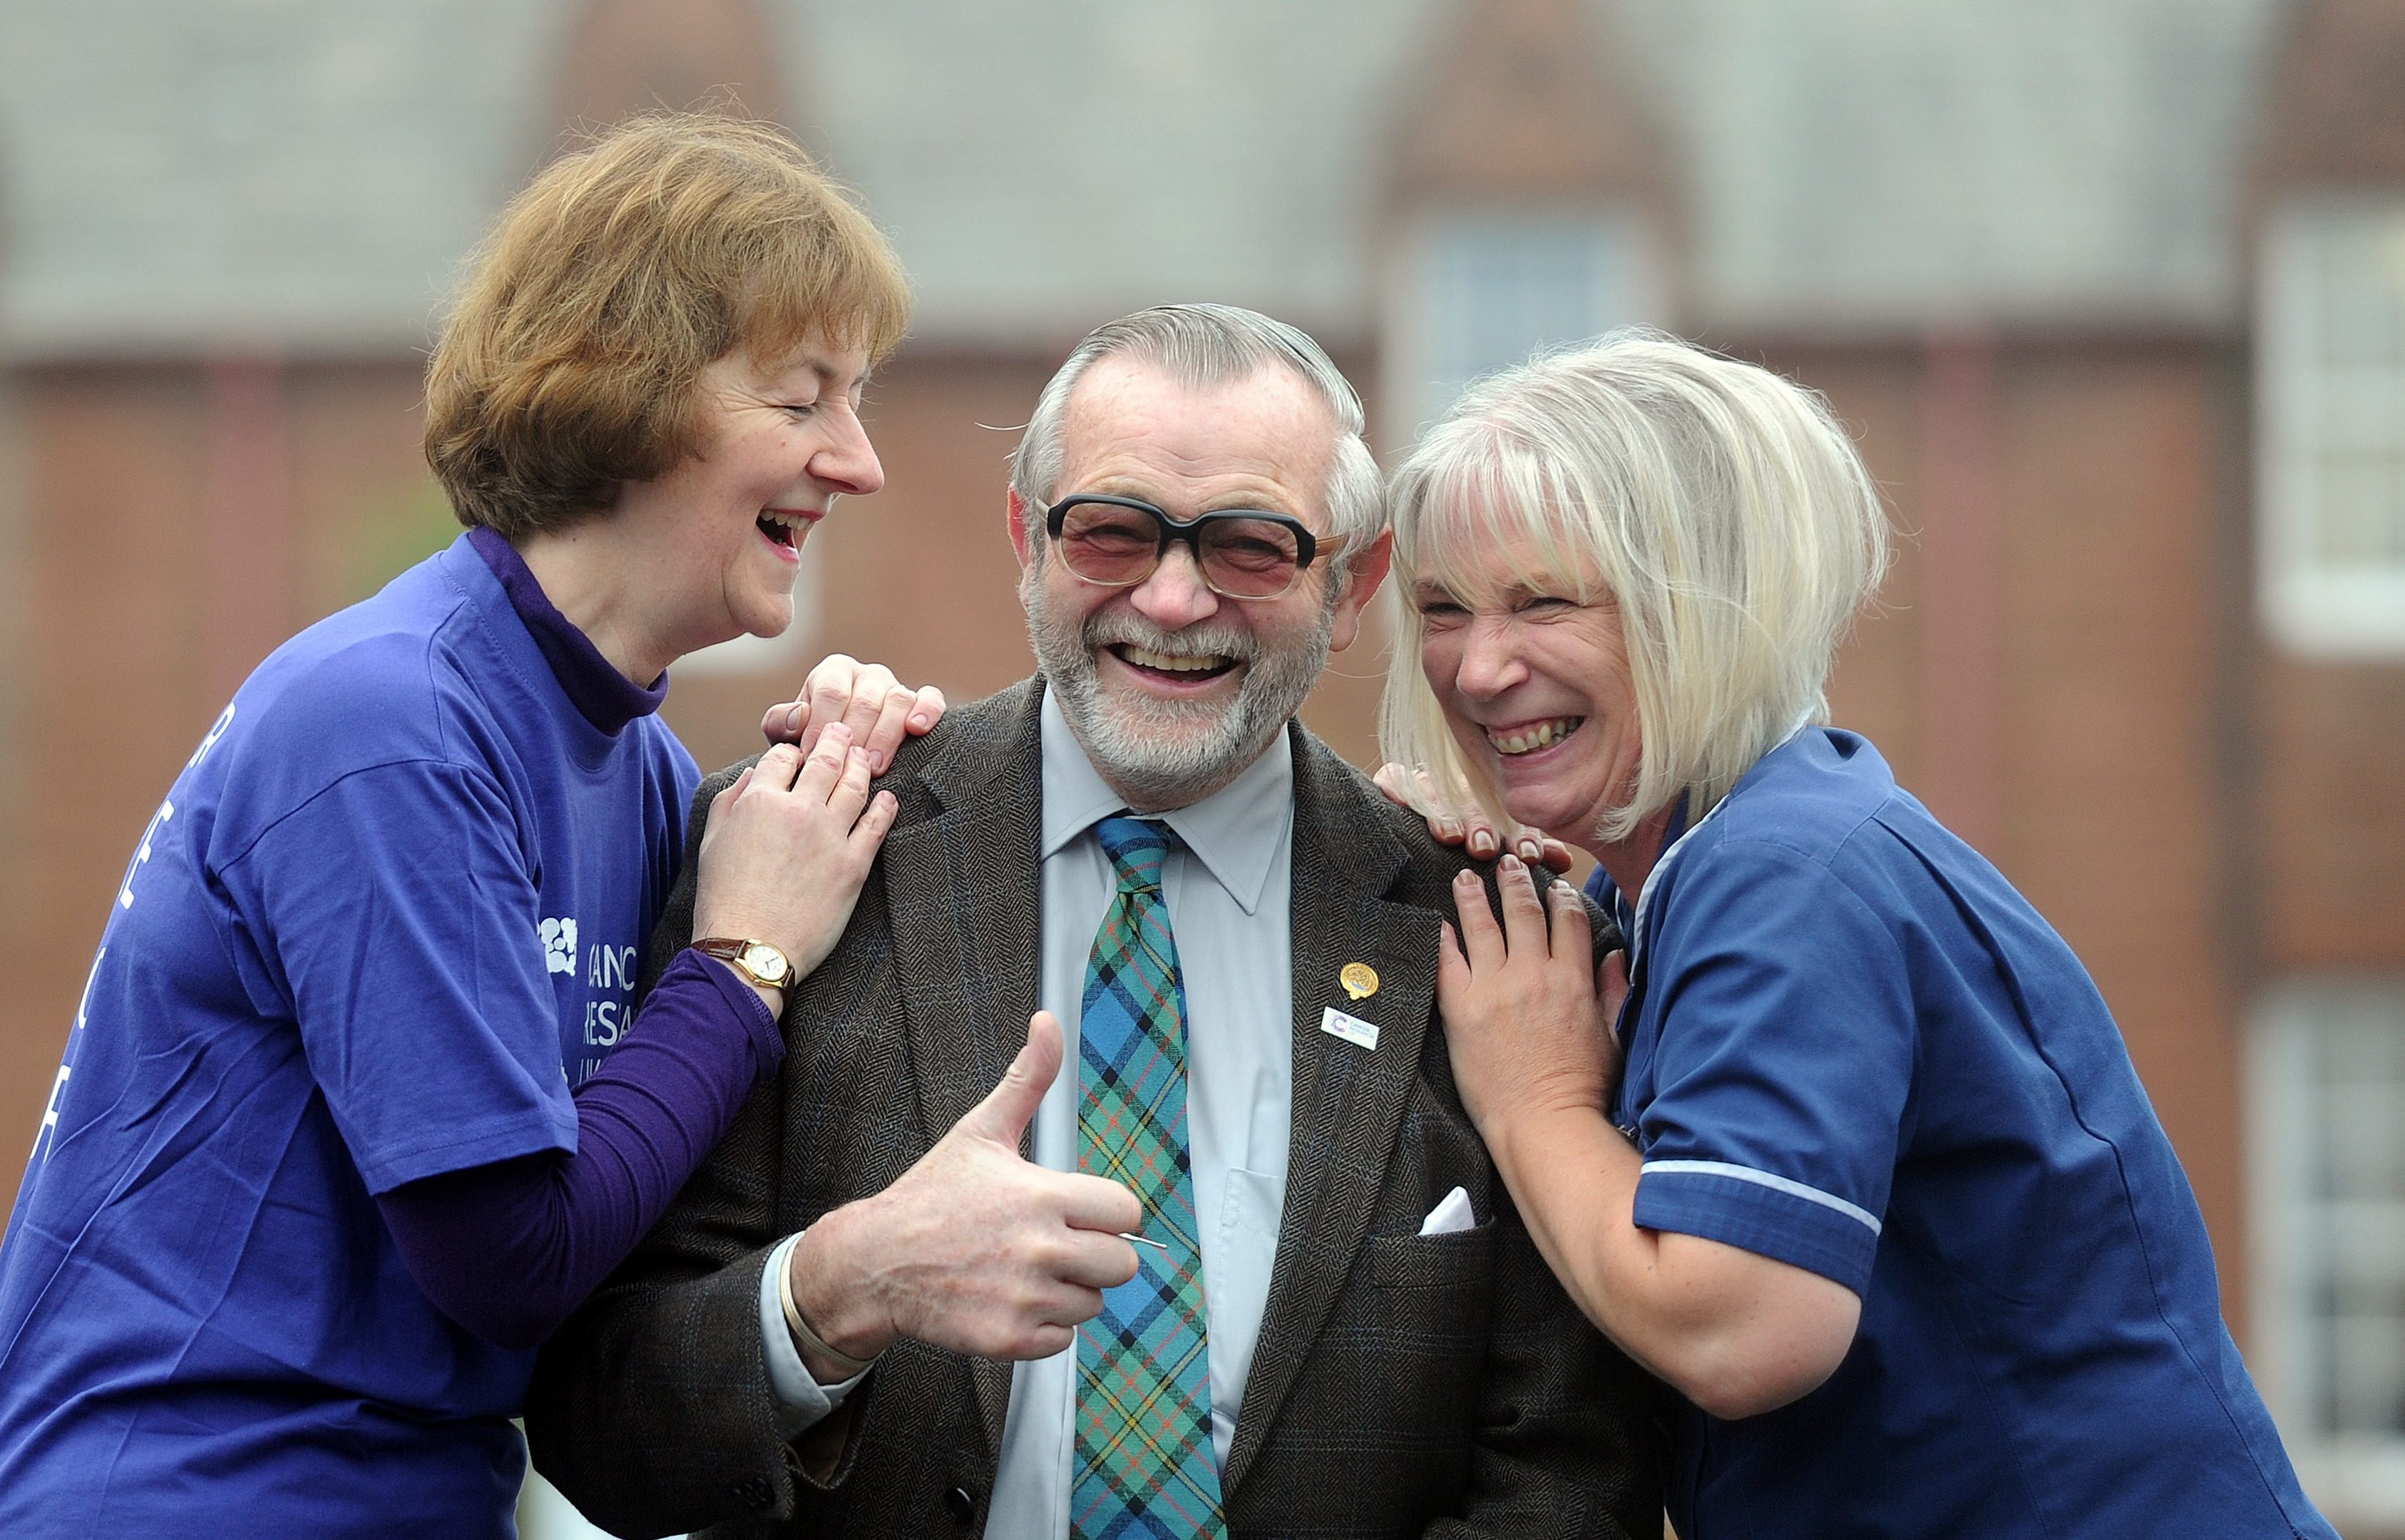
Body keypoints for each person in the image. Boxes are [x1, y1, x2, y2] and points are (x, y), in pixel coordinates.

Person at [0, 115, 943, 1537]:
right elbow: (511, 1260)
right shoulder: (385, 723)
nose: (860, 461)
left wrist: (847, 785)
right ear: (627, 395)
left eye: (860, 399)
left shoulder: (633, 766)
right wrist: (745, 957)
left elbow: (663, 1171)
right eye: (804, 398)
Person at [525, 304, 1663, 1539]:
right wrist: (839, 1291)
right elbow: (599, 1419)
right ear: (1029, 539)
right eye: (1112, 533)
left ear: (1352, 585)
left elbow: (1568, 1472)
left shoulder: (1494, 946)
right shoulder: (799, 857)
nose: (1173, 601)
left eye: (1249, 547)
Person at [1382, 332, 2335, 1538]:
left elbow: (1743, 1328)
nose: (1477, 668)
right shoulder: (1711, 872)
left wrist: (1538, 1101)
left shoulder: (1784, 879)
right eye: (1443, 609)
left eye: (1545, 601)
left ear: (1707, 602)